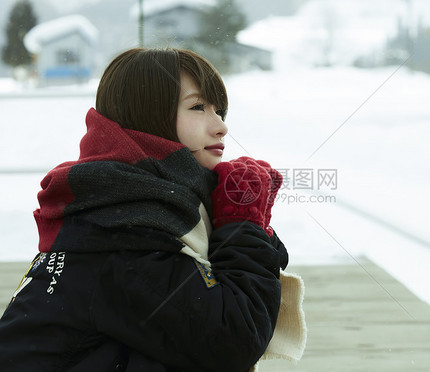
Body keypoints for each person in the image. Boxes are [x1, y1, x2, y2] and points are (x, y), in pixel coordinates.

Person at [0, 48, 305, 371]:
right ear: (146, 116)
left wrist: (245, 220)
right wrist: (242, 221)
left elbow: (255, 278)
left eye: (221, 111)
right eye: (198, 107)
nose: (220, 127)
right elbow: (234, 340)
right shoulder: (121, 230)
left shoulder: (140, 206)